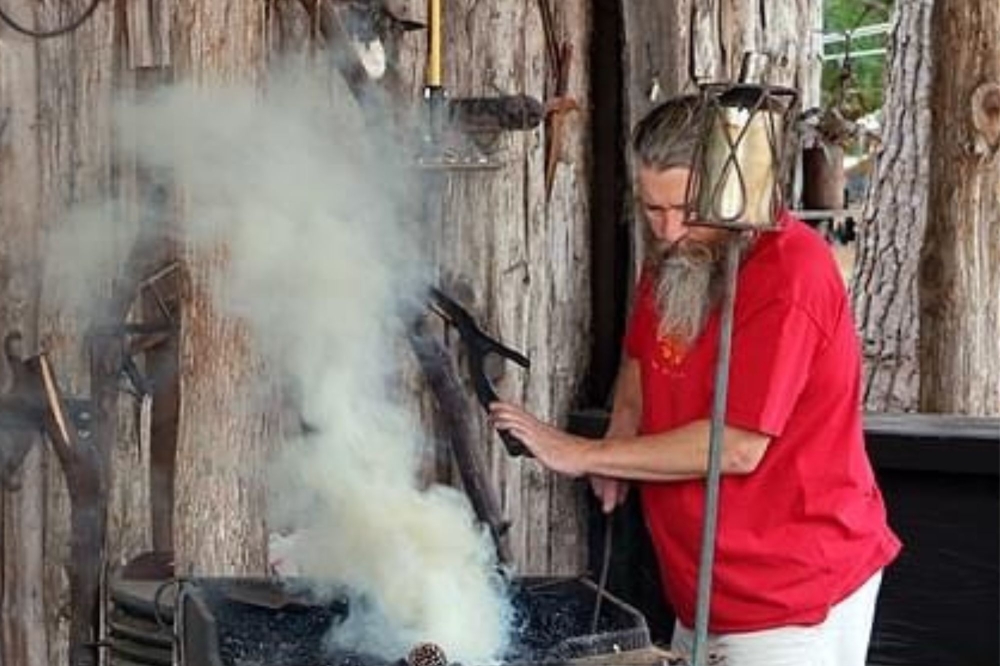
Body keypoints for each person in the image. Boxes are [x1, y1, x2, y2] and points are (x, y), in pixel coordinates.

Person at [489, 95, 901, 666]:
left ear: (735, 188)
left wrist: (581, 453)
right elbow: (641, 360)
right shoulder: (677, 255)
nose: (668, 229)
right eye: (651, 208)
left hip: (792, 596)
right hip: (702, 588)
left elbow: (737, 446)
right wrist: (618, 440)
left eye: (685, 207)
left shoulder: (790, 276)